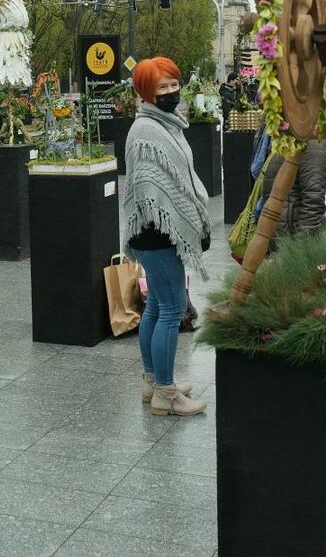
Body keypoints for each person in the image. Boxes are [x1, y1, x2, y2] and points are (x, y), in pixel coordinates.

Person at [122, 56, 210, 416]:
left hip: (156, 233)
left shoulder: (165, 123)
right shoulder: (146, 130)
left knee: (157, 306)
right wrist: (179, 228)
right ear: (145, 92)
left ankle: (152, 381)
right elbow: (148, 191)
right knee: (172, 309)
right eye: (162, 87)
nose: (172, 92)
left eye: (174, 84)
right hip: (157, 234)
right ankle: (166, 393)